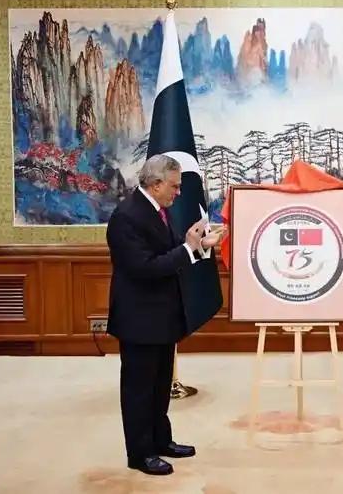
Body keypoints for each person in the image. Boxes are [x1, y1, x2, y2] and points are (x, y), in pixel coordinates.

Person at [106, 154, 225, 475]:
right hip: (139, 319)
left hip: (161, 316)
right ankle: (140, 454)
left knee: (160, 386)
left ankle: (160, 441)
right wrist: (187, 248)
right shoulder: (126, 216)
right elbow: (145, 268)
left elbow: (170, 253)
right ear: (156, 184)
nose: (179, 192)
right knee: (139, 389)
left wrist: (200, 245)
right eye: (174, 186)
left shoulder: (157, 209)